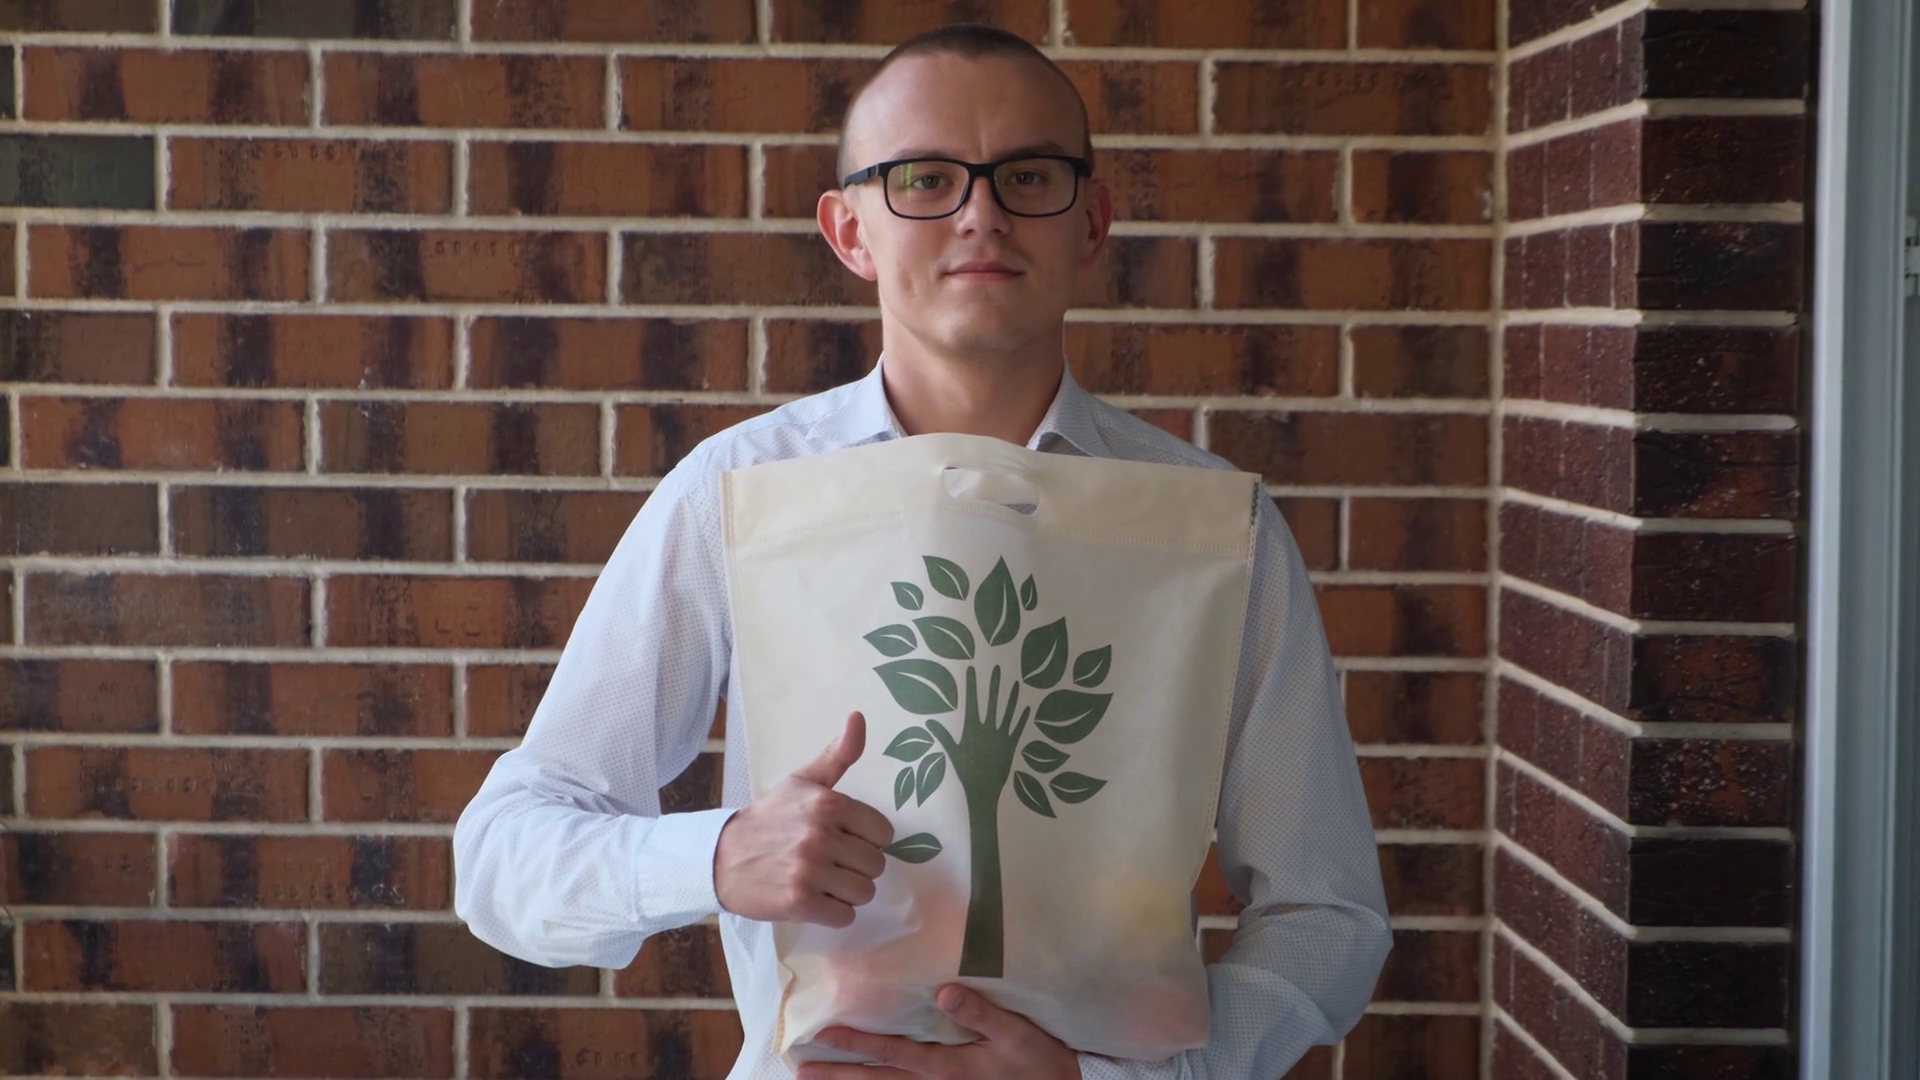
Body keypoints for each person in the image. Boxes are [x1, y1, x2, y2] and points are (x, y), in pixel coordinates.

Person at [454, 22, 1390, 1080]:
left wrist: (1152, 1079)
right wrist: (714, 853)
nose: (980, 213)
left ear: (1092, 221)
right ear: (849, 230)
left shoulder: (1213, 528)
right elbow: (502, 856)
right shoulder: (739, 497)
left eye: (1027, 175)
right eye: (925, 179)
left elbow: (1329, 914)